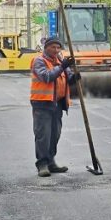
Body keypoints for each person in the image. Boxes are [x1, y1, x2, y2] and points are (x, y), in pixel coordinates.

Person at [30, 36, 80, 177]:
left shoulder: (58, 60)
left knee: (55, 135)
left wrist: (74, 77)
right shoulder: (39, 61)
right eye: (53, 47)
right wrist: (62, 66)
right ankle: (42, 164)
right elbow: (47, 77)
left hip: (57, 104)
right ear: (46, 48)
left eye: (58, 47)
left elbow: (68, 77)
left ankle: (51, 161)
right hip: (42, 104)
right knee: (43, 135)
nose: (56, 50)